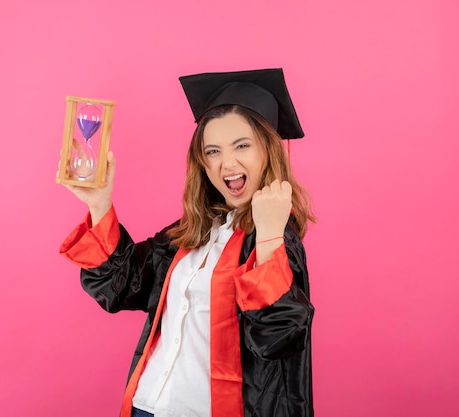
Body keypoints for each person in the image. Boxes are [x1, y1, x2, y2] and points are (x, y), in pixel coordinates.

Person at [59, 68, 316, 417]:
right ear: (202, 162)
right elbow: (122, 285)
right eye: (213, 151)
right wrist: (99, 203)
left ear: (268, 151)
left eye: (242, 145)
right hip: (145, 406)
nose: (227, 162)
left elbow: (277, 339)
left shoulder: (276, 241)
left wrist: (270, 235)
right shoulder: (191, 233)